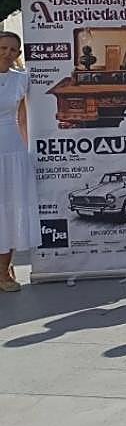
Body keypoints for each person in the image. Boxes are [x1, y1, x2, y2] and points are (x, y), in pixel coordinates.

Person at [0, 31, 37, 292]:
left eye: (13, 49)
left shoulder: (22, 80)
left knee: (11, 210)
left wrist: (27, 149)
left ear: (19, 54)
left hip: (12, 149)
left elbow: (24, 118)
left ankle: (4, 271)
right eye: (3, 48)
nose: (7, 53)